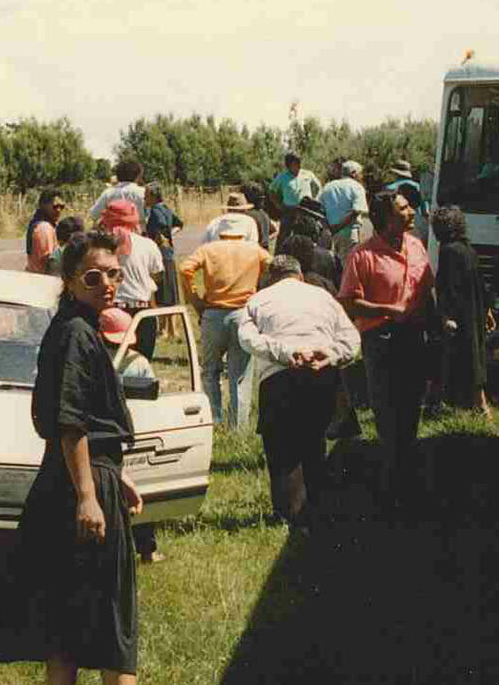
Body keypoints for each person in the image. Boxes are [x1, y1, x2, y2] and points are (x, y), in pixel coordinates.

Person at [0, 231, 176, 685]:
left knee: (66, 607)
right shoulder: (74, 333)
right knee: (112, 607)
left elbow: (84, 426)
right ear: (69, 281)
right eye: (93, 276)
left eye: (114, 274)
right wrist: (92, 495)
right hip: (78, 484)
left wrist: (117, 479)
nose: (107, 284)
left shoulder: (76, 329)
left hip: (78, 478)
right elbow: (70, 421)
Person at [236, 254, 360, 529]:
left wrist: (283, 352)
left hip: (279, 378)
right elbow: (352, 339)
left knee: (282, 451)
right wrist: (329, 354)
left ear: (271, 278)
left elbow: (246, 338)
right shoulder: (324, 297)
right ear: (300, 275)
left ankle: (290, 515)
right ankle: (320, 510)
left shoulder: (258, 299)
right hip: (324, 375)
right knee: (315, 444)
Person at [340, 189, 435, 503]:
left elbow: (428, 289)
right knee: (388, 414)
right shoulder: (362, 256)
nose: (411, 213)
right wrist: (387, 310)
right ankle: (391, 488)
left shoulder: (417, 245)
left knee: (411, 410)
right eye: (403, 209)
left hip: (415, 339)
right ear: (385, 220)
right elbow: (349, 303)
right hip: (381, 341)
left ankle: (408, 478)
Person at [177, 221, 270, 428]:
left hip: (213, 313)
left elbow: (185, 269)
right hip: (243, 313)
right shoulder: (254, 250)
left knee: (210, 370)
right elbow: (273, 266)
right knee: (240, 374)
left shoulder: (208, 249)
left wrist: (195, 300)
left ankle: (214, 419)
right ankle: (237, 425)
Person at [98, 304, 167, 565]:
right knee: (140, 489)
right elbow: (152, 397)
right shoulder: (138, 363)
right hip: (132, 432)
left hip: (103, 435)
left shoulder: (91, 357)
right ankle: (147, 549)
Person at [430, 206, 493, 417]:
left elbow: (448, 286)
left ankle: (476, 406)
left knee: (459, 357)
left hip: (460, 313)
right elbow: (481, 283)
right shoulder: (468, 248)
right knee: (475, 356)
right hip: (474, 310)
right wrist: (488, 310)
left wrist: (446, 315)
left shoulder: (448, 250)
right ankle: (476, 405)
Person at [98, 198, 164, 359]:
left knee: (110, 364)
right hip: (142, 310)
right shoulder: (148, 245)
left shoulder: (100, 245)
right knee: (141, 363)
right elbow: (157, 275)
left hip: (112, 311)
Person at [319, 159, 370, 262]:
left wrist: (330, 228)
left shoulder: (328, 187)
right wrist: (339, 226)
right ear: (353, 173)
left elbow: (320, 210)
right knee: (350, 267)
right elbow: (356, 211)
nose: (361, 177)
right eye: (360, 174)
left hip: (331, 234)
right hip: (350, 233)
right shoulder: (357, 187)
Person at [142, 184, 182, 307]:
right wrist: (170, 234)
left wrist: (156, 238)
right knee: (171, 295)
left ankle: (164, 325)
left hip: (160, 254)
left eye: (146, 196)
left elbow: (161, 224)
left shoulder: (155, 211)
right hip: (168, 253)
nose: (144, 199)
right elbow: (179, 224)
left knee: (163, 296)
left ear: (153, 196)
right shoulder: (166, 208)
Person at [86, 159, 147, 227]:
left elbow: (94, 214)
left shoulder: (108, 193)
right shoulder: (144, 193)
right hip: (139, 233)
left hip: (113, 234)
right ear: (138, 176)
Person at [26, 189, 66, 275]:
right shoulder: (44, 228)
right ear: (43, 206)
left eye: (61, 207)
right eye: (55, 206)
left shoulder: (38, 223)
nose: (59, 210)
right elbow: (48, 260)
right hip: (43, 278)